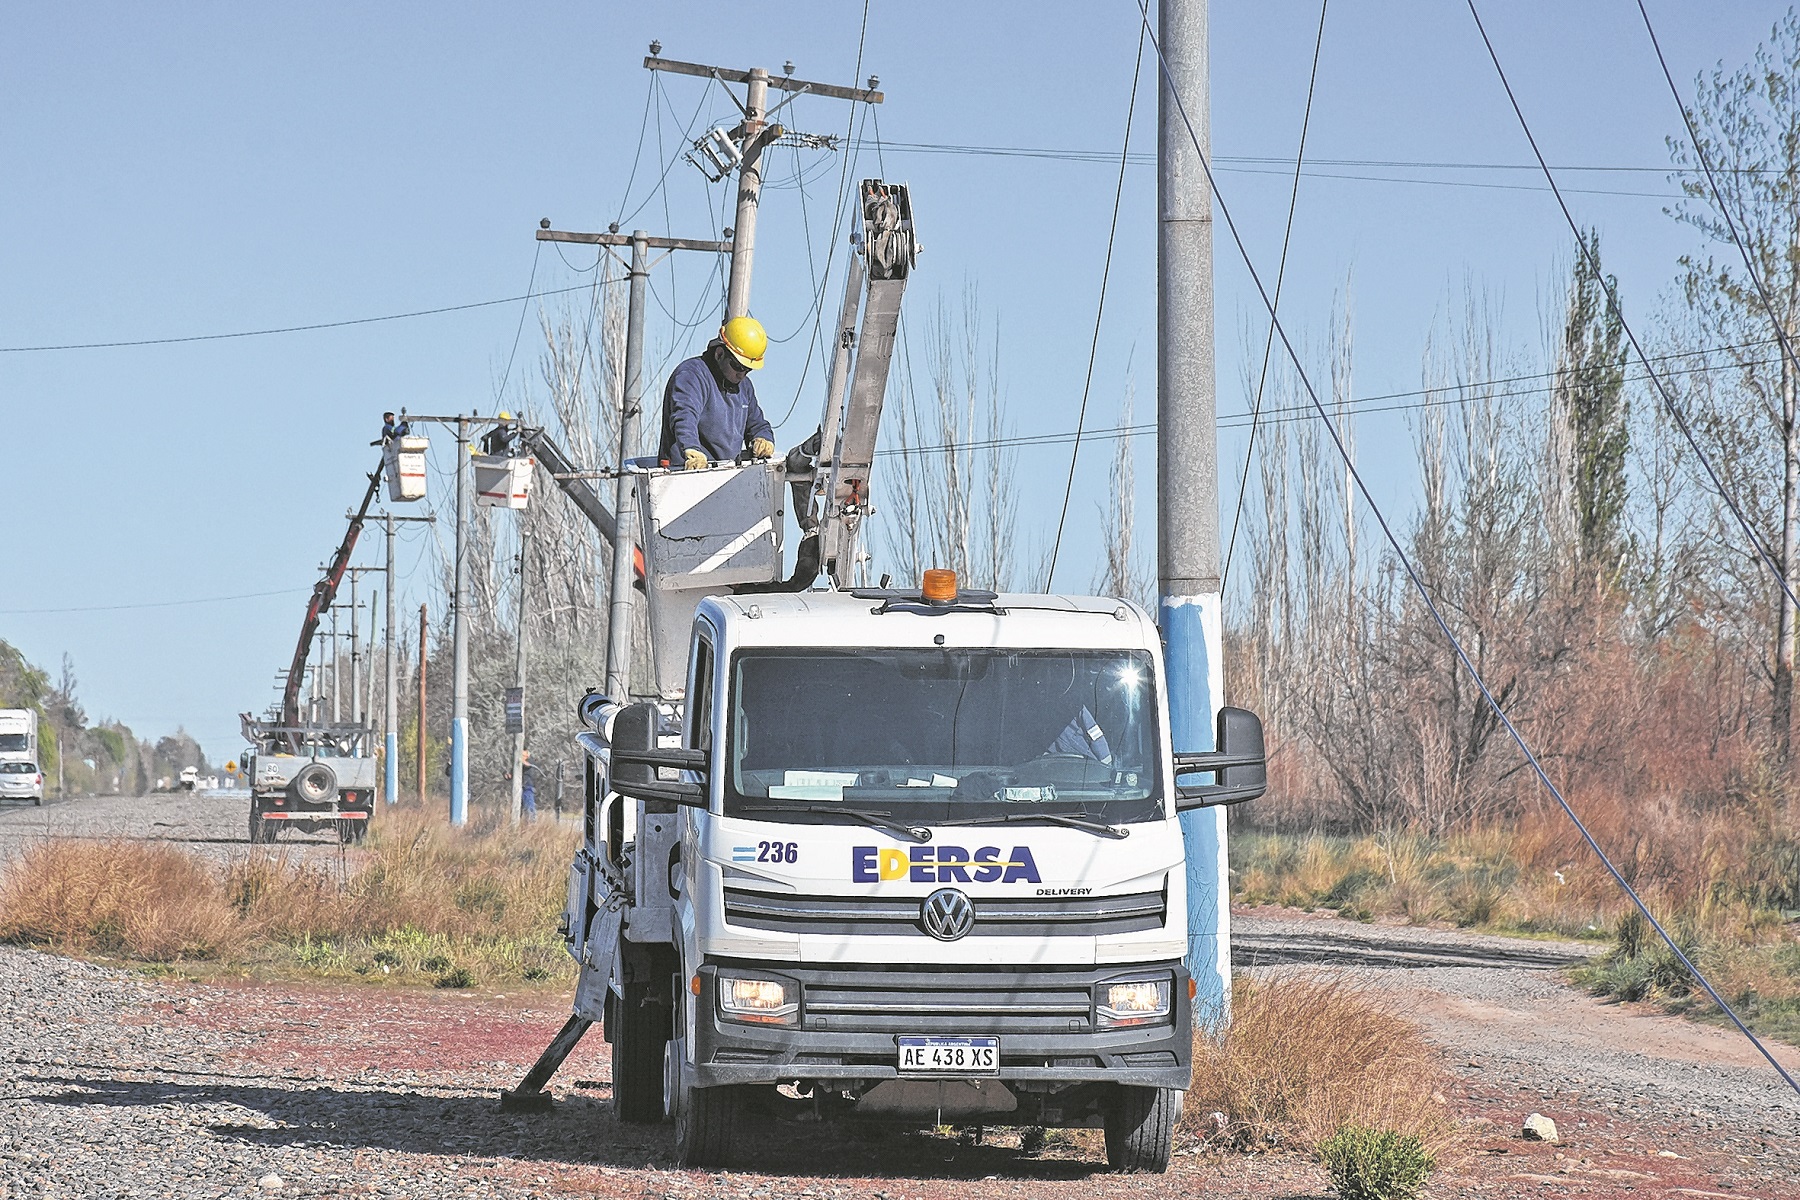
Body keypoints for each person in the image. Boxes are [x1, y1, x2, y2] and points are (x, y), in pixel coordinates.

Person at [658, 317, 777, 469]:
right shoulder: (692, 375)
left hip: (725, 477)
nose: (742, 374)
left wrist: (763, 438)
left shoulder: (744, 387)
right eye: (737, 366)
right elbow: (685, 416)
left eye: (748, 369)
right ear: (719, 354)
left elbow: (757, 423)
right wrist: (692, 450)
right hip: (683, 474)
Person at [519, 750, 537, 820]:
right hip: (519, 788)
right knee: (518, 808)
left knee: (530, 808)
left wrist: (520, 760)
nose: (522, 757)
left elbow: (527, 765)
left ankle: (532, 823)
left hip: (528, 788)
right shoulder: (517, 764)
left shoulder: (530, 761)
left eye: (523, 755)